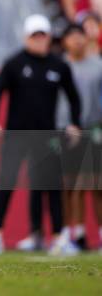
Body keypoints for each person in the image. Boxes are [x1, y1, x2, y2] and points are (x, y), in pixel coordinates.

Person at [0, 14, 81, 256]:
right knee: (7, 183)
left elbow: (73, 97)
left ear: (49, 37)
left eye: (42, 35)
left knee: (52, 187)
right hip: (17, 134)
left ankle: (58, 237)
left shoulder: (59, 66)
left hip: (47, 135)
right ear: (26, 37)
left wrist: (74, 123)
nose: (39, 40)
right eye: (34, 36)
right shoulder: (14, 63)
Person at [56, 23, 102, 251]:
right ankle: (75, 233)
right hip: (67, 129)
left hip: (94, 128)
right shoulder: (60, 66)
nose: (76, 40)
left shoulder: (98, 65)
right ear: (64, 41)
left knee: (96, 183)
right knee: (71, 185)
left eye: (79, 36)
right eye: (71, 36)